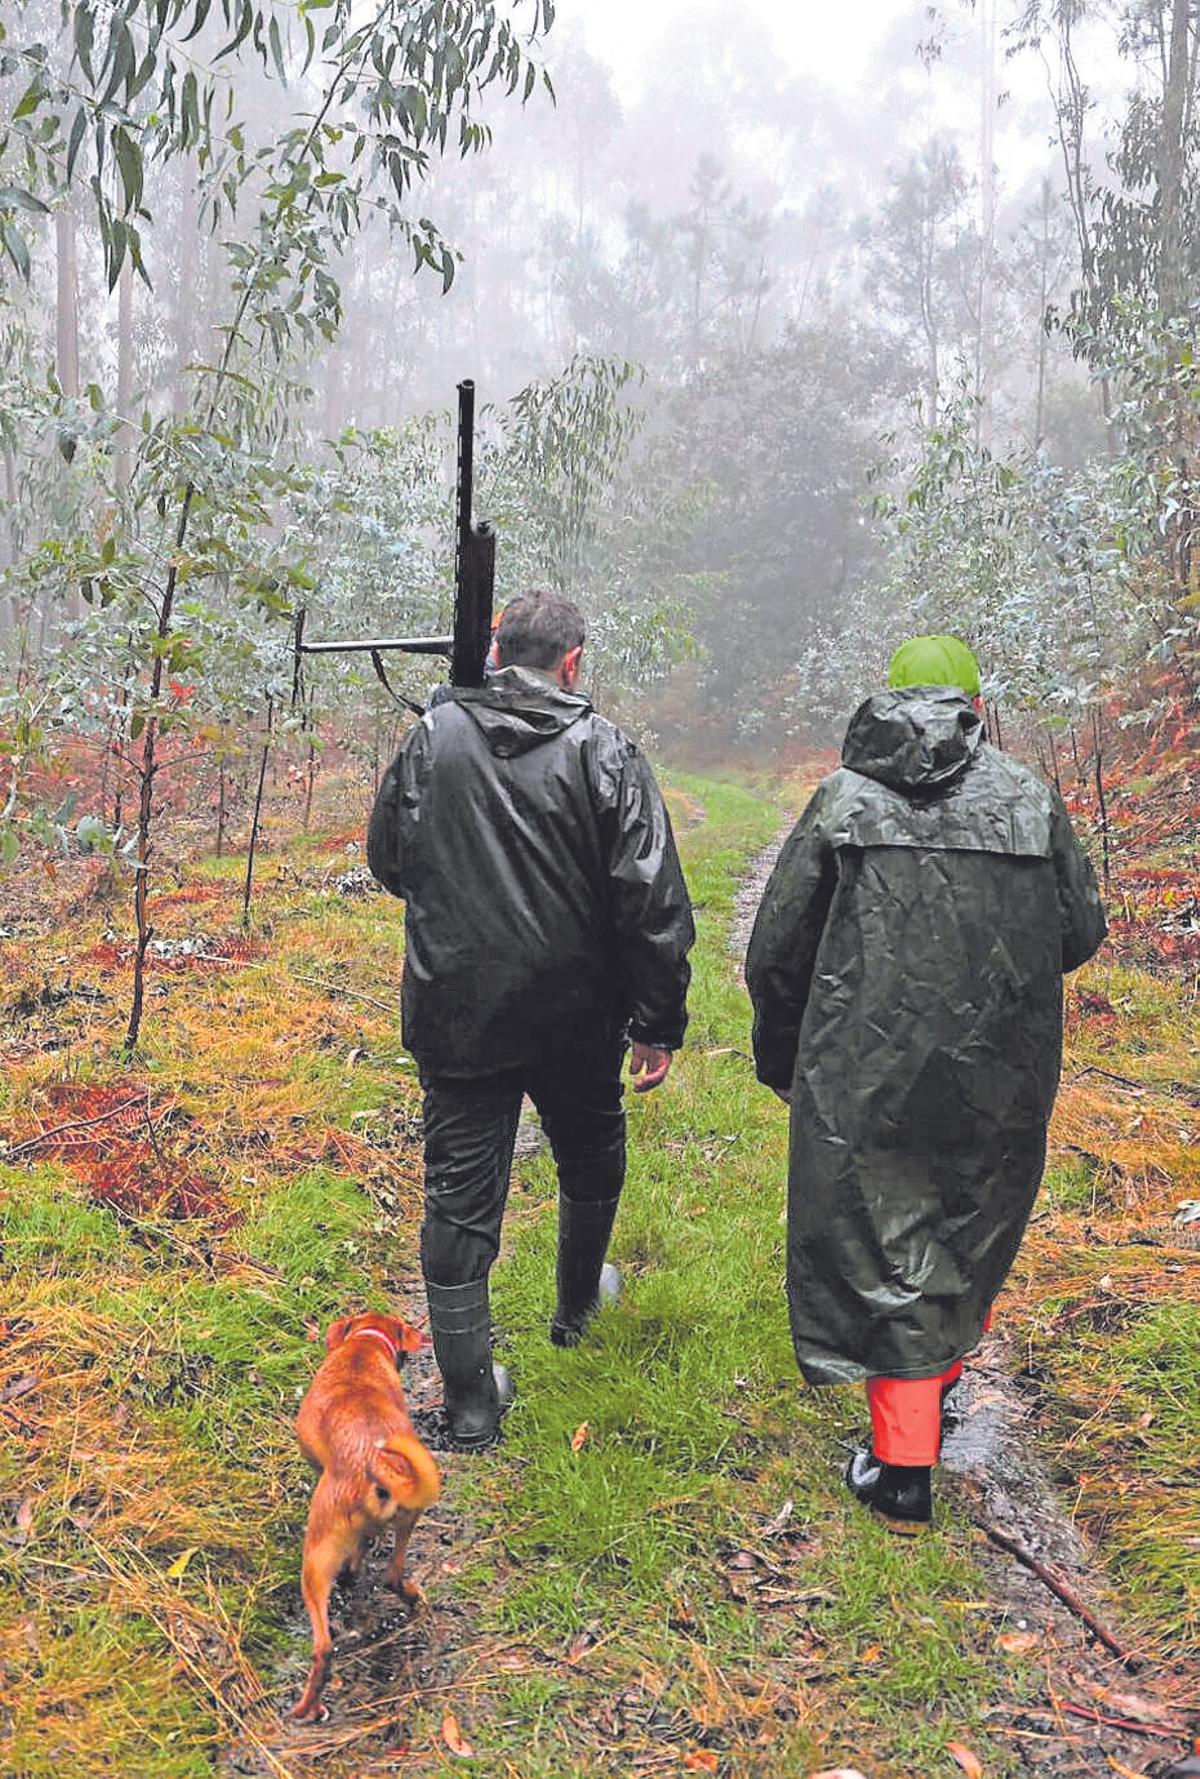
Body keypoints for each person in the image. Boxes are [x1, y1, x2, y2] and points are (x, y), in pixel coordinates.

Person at [745, 634, 1106, 1529]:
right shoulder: (1028, 796)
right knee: (965, 1219)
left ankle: (904, 1471)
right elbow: (1079, 931)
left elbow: (778, 954)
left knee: (881, 1232)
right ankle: (922, 1411)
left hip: (865, 1069)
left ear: (888, 697)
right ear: (974, 708)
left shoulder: (844, 799)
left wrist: (786, 1056)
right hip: (1001, 1066)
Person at [367, 588, 695, 1449]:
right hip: (578, 1016)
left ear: (494, 650)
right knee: (591, 1150)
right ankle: (578, 1307)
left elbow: (390, 862)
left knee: (459, 1193)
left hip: (458, 1012)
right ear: (573, 661)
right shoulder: (607, 751)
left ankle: (473, 1402)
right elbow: (650, 899)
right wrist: (655, 1020)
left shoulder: (431, 740)